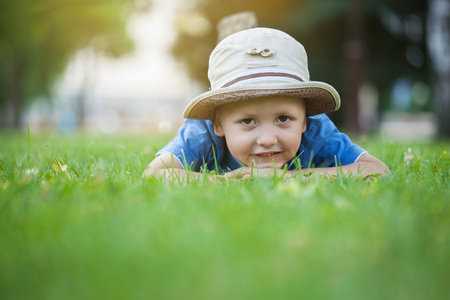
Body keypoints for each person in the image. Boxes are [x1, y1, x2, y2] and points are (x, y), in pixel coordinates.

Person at [143, 27, 389, 181]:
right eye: (248, 121)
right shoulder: (201, 131)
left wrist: (290, 177)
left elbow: (376, 170)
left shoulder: (316, 129)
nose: (268, 139)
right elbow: (154, 174)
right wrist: (224, 182)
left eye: (283, 119)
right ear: (219, 124)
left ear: (304, 121)